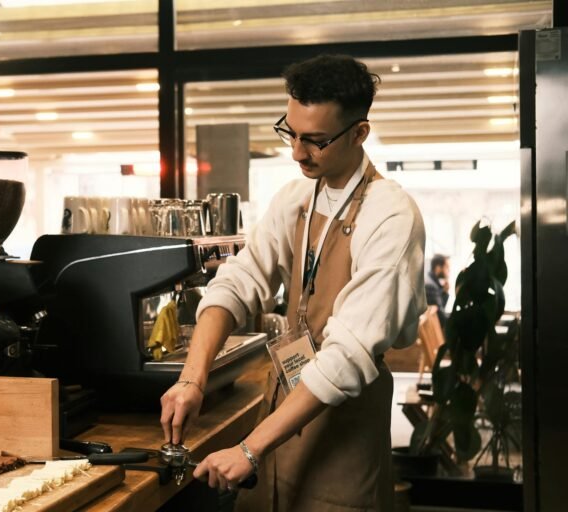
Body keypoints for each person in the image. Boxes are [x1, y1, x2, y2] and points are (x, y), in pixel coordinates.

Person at [159, 54, 426, 511]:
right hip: (282, 415)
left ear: (360, 133)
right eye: (291, 133)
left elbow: (346, 358)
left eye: (316, 141)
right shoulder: (298, 197)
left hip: (344, 430)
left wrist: (248, 449)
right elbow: (238, 283)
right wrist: (192, 379)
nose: (298, 153)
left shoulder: (391, 216)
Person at [425, 253, 450, 327]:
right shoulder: (430, 286)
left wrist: (445, 292)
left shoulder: (432, 283)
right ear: (438, 268)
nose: (449, 270)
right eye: (447, 267)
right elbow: (441, 318)